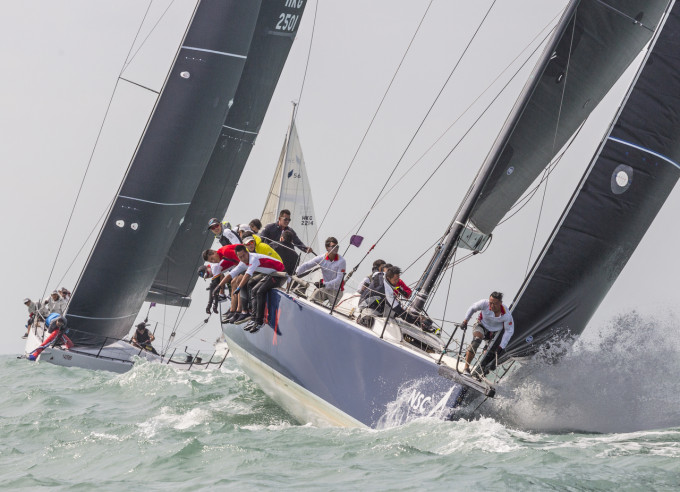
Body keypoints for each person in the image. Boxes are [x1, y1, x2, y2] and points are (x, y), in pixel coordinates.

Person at [215, 245, 285, 331]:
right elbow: (231, 274)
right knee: (254, 289)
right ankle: (253, 317)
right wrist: (219, 286)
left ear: (247, 253)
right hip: (270, 274)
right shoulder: (243, 262)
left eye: (244, 255)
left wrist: (239, 288)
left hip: (280, 273)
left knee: (259, 292)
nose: (243, 258)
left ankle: (259, 321)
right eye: (240, 257)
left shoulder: (253, 259)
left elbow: (247, 275)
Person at [461, 291, 514, 375]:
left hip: (494, 333)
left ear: (500, 303)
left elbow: (509, 330)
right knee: (477, 340)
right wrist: (465, 321)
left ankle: (480, 375)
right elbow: (472, 308)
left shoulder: (506, 315)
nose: (492, 306)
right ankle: (466, 368)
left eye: (495, 303)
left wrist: (501, 346)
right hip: (481, 325)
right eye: (490, 303)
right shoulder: (484, 303)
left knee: (489, 354)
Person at [295, 237, 346, 306]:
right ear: (327, 248)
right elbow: (307, 265)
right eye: (333, 246)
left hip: (336, 290)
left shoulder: (341, 261)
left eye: (337, 247)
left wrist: (325, 284)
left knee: (337, 311)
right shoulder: (321, 258)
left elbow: (339, 280)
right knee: (311, 301)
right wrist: (296, 273)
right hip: (324, 288)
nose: (336, 249)